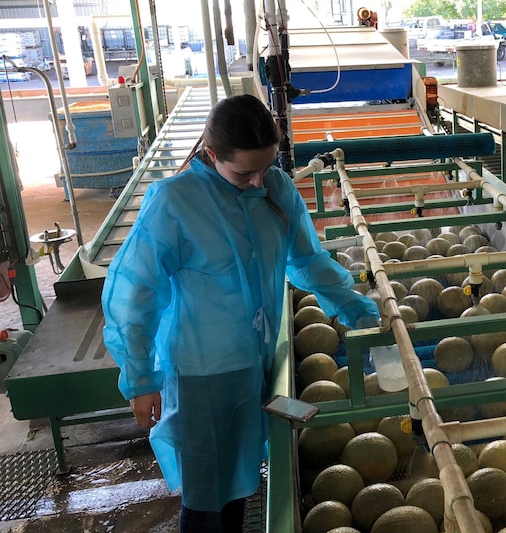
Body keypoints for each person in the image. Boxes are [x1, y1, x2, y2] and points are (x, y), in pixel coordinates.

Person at [101, 94, 379, 532]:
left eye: (265, 168)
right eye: (244, 172)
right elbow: (136, 294)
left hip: (256, 362)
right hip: (200, 373)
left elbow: (305, 260)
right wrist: (140, 378)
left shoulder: (276, 189)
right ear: (211, 155)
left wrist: (355, 307)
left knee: (238, 483)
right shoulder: (175, 204)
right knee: (205, 492)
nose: (257, 182)